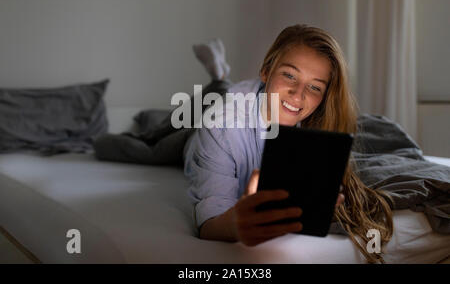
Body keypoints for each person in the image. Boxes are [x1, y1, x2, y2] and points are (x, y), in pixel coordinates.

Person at [94, 24, 393, 263]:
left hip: (241, 98)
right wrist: (236, 225)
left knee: (222, 93)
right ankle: (102, 139)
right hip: (195, 133)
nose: (298, 94)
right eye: (289, 75)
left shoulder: (318, 124)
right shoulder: (220, 128)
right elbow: (210, 223)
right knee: (155, 139)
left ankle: (220, 76)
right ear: (266, 71)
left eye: (314, 87)